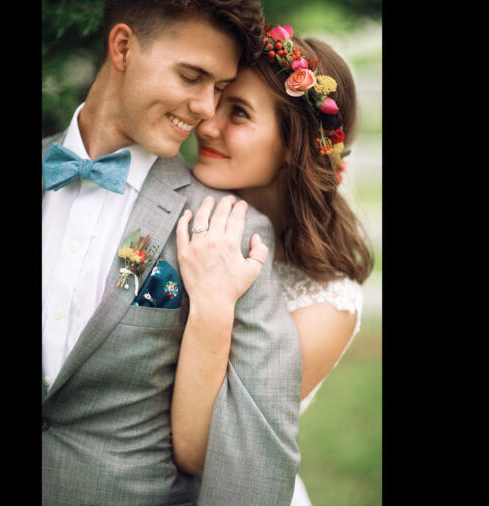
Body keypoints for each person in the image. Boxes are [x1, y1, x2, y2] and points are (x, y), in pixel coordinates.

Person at [41, 2, 302, 504]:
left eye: (222, 90)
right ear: (122, 48)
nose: (206, 109)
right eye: (192, 76)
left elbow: (255, 449)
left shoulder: (233, 233)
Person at [170, 26, 374, 506]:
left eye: (237, 112)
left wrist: (213, 301)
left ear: (293, 145)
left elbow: (212, 448)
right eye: (217, 98)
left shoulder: (329, 302)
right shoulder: (183, 213)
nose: (207, 124)